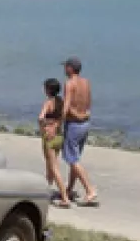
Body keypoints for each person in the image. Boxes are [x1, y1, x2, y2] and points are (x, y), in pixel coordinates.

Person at [62, 57, 98, 206]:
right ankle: (69, 189)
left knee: (72, 159)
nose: (64, 69)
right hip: (85, 123)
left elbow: (66, 106)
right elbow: (88, 103)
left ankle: (90, 189)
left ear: (70, 68)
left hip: (74, 125)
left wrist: (59, 122)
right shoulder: (86, 82)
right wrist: (83, 114)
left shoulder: (69, 83)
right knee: (75, 158)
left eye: (65, 67)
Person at [38, 78, 70, 207]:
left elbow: (41, 118)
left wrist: (45, 126)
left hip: (49, 137)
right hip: (59, 136)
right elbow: (63, 116)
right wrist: (56, 124)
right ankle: (46, 192)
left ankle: (65, 197)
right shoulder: (61, 101)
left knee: (53, 167)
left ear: (48, 90)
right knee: (50, 166)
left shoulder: (48, 102)